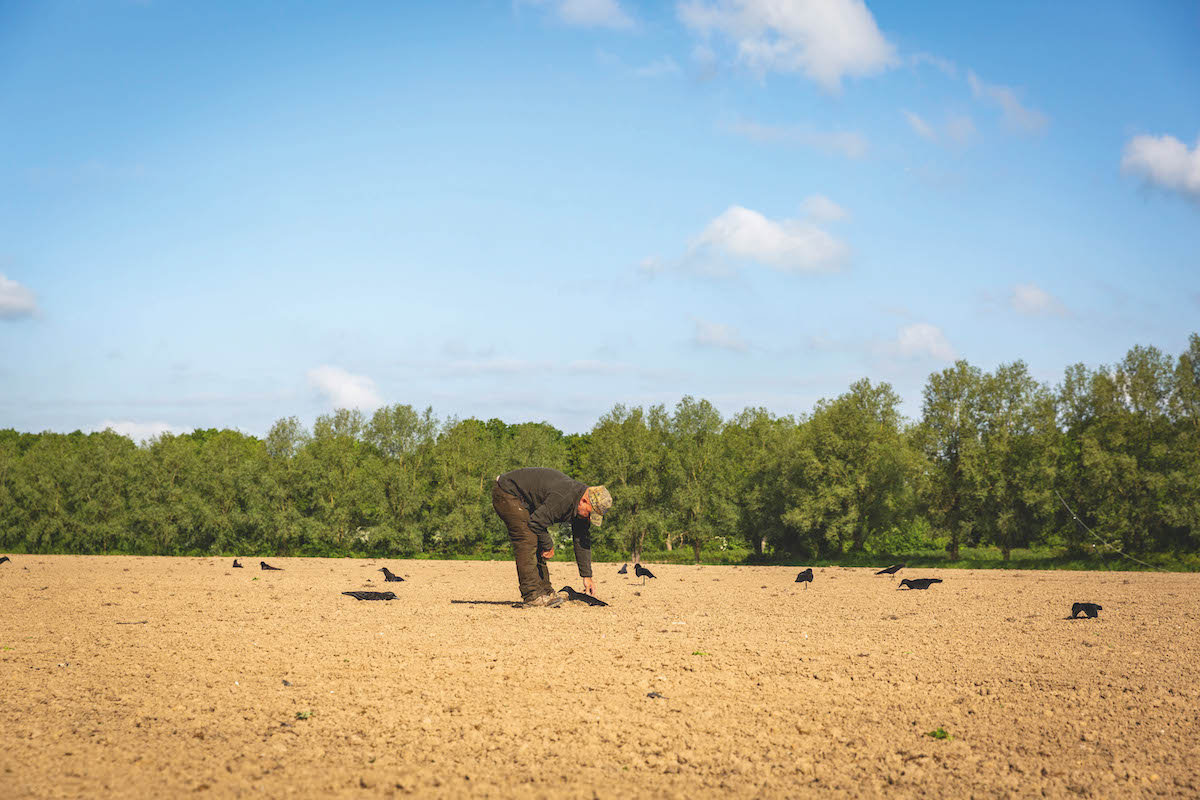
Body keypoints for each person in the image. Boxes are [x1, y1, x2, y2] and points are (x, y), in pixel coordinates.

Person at [492, 467, 613, 607]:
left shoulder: (580, 506)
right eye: (590, 514)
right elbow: (536, 522)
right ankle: (532, 595)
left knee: (538, 538)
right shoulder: (564, 498)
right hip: (507, 493)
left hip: (524, 500)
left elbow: (582, 539)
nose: (589, 518)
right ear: (584, 501)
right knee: (528, 539)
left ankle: (546, 591)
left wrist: (587, 576)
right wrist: (548, 545)